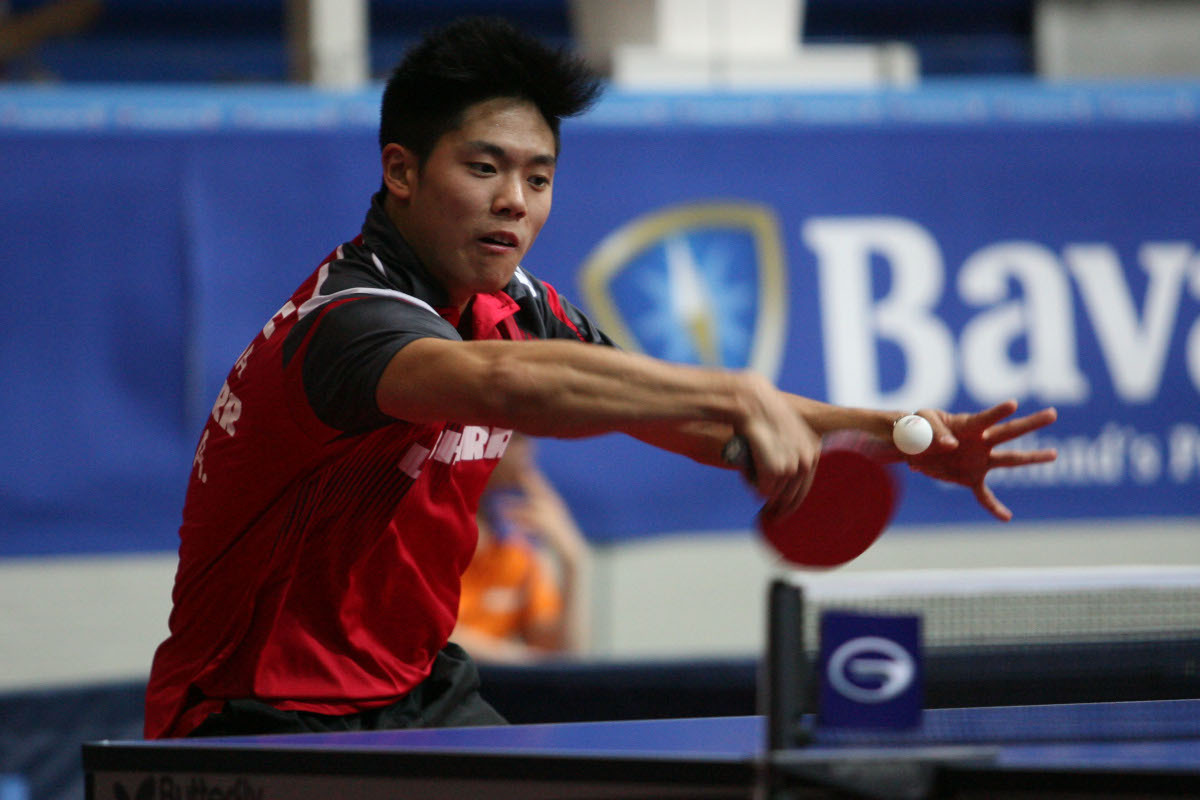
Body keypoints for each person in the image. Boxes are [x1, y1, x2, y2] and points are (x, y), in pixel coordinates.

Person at [144, 16, 1058, 739]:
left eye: (538, 178)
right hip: (255, 714)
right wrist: (734, 391)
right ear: (402, 173)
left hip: (413, 690)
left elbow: (668, 414)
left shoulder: (519, 303)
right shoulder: (346, 323)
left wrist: (881, 429)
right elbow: (506, 388)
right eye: (485, 168)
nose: (516, 200)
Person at [453, 433, 591, 663]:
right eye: (516, 438)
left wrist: (572, 560)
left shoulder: (517, 546)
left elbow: (563, 654)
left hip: (489, 690)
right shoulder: (427, 531)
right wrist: (518, 659)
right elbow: (426, 634)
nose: (529, 449)